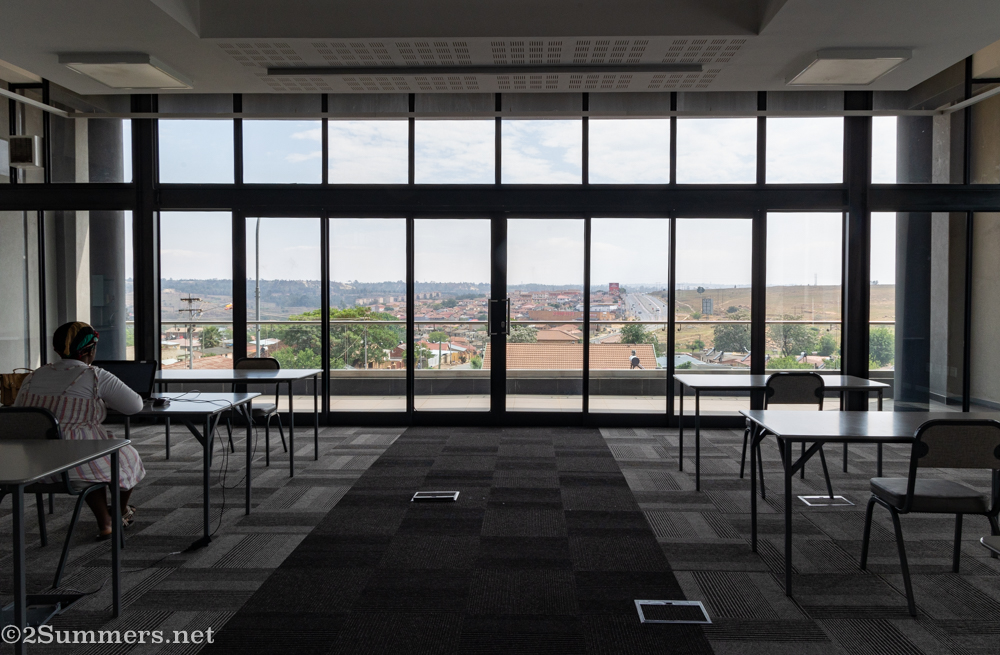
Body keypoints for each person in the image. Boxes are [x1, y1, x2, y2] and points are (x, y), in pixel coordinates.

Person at [14, 322, 145, 539]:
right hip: (77, 464)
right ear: (91, 349)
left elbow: (20, 412)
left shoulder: (33, 376)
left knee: (98, 457)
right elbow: (134, 406)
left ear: (57, 349)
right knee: (125, 457)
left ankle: (105, 523)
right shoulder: (95, 376)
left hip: (35, 466)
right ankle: (120, 511)